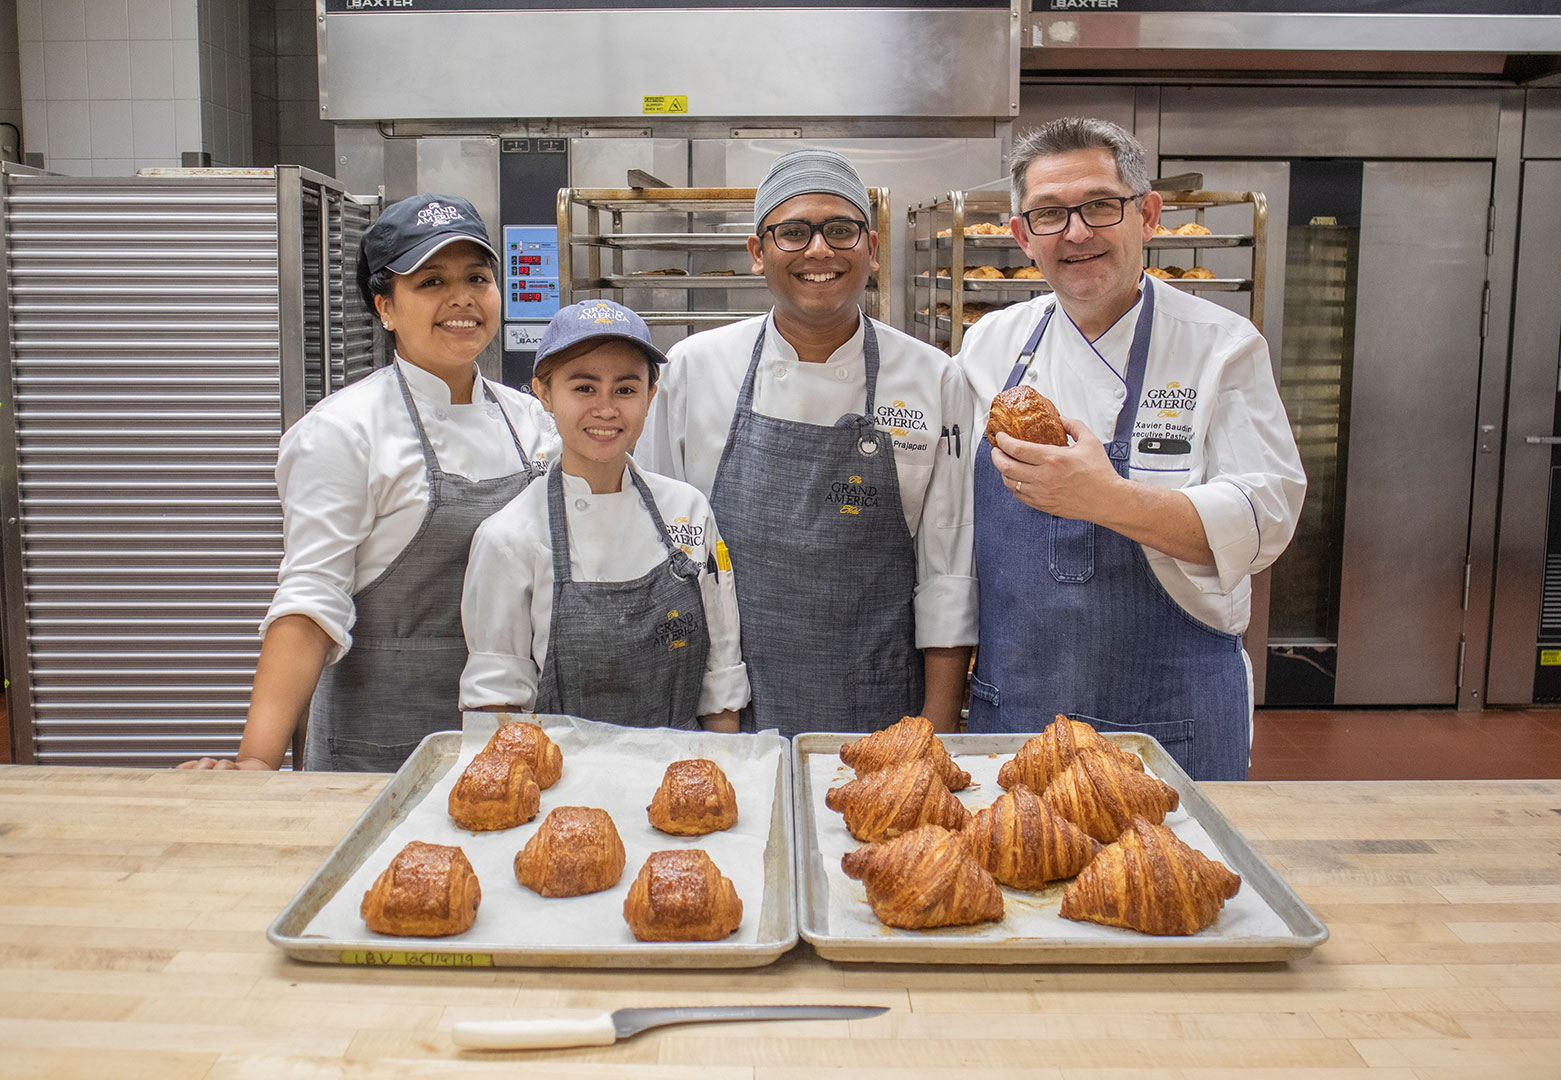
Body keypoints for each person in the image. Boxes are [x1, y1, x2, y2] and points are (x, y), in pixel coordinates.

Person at [956, 117, 1305, 781]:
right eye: (1049, 214)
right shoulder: (991, 347)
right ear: (1023, 237)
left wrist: (1107, 500)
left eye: (1099, 206)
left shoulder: (1221, 348)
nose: (1077, 232)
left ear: (1147, 215)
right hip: (1021, 707)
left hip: (1166, 717)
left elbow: (1265, 521)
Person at [180, 194, 557, 771]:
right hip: (382, 743)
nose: (461, 298)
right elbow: (310, 602)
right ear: (385, 307)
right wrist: (256, 762)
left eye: (477, 277)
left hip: (508, 737)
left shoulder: (529, 422)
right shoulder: (344, 431)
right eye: (430, 282)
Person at [638, 148, 977, 737]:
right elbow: (665, 555)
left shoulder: (932, 377)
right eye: (792, 232)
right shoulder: (694, 370)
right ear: (757, 253)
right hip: (722, 702)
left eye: (840, 230)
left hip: (880, 705)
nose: (818, 250)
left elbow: (947, 565)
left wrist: (937, 729)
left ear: (872, 250)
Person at [459, 300, 748, 732]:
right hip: (560, 786)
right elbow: (495, 709)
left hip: (681, 777)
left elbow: (720, 676)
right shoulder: (509, 537)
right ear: (544, 394)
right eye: (584, 388)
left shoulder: (688, 511)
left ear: (651, 396)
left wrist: (723, 771)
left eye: (626, 390)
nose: (607, 409)